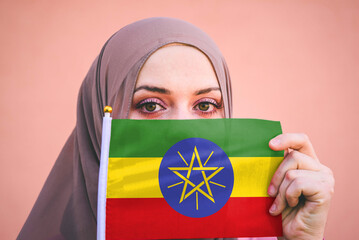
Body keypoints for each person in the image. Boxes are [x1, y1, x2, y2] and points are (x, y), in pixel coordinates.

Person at [18, 17, 334, 240]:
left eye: (206, 105)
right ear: (100, 121)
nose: (184, 130)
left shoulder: (256, 236)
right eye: (151, 105)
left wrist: (303, 238)